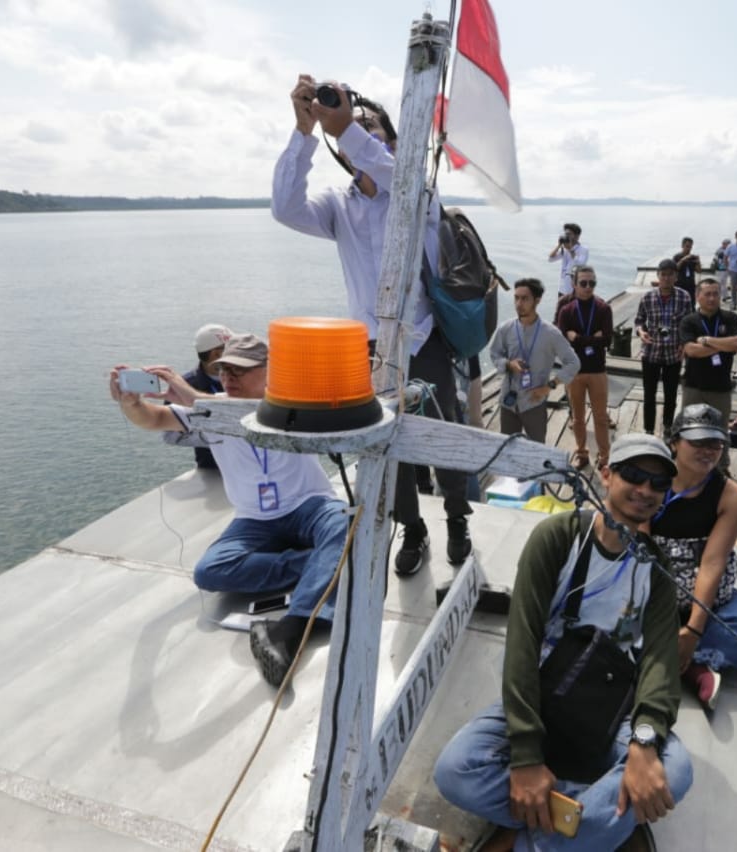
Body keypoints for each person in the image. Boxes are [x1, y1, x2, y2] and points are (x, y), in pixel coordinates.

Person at [434, 434, 693, 852]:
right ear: (606, 475)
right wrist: (526, 756)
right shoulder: (557, 538)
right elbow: (521, 644)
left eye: (658, 484)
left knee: (677, 771)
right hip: (543, 694)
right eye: (633, 475)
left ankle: (528, 840)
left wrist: (644, 741)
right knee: (456, 769)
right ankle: (600, 822)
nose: (645, 490)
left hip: (611, 705)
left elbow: (659, 664)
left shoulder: (655, 569)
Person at [270, 74, 471, 577]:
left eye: (374, 130)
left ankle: (457, 516)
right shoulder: (338, 207)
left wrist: (347, 130)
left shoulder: (419, 195)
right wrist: (305, 132)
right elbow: (285, 208)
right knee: (385, 444)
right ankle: (413, 528)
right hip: (372, 349)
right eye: (356, 131)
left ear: (395, 144)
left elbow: (401, 178)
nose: (361, 136)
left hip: (424, 340)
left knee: (443, 436)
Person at [108, 334, 348, 688]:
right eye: (223, 369)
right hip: (253, 519)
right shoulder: (209, 407)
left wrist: (187, 393)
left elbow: (251, 418)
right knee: (210, 572)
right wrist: (130, 404)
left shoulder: (290, 401)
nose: (228, 377)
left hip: (308, 504)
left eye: (240, 370)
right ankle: (321, 564)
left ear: (270, 372)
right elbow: (155, 419)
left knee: (346, 523)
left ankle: (294, 623)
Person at [649, 405, 737, 712]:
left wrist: (693, 630)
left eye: (715, 443)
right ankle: (686, 664)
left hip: (704, 597)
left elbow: (713, 562)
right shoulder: (650, 480)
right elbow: (639, 547)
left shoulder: (730, 495)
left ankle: (681, 657)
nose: (708, 451)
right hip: (651, 591)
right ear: (675, 441)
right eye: (698, 442)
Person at [489, 278, 580, 444]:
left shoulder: (550, 333)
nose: (519, 303)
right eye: (516, 297)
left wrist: (550, 386)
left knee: (536, 451)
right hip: (508, 403)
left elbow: (573, 363)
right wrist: (508, 364)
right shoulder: (505, 328)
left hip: (534, 403)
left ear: (537, 300)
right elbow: (494, 353)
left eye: (525, 298)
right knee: (506, 450)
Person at [557, 266, 614, 471]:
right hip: (575, 372)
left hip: (598, 370)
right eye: (583, 283)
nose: (588, 287)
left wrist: (578, 338)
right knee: (578, 419)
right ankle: (582, 453)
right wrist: (593, 339)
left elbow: (607, 340)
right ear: (574, 284)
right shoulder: (566, 310)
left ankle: (605, 456)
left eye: (592, 283)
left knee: (600, 417)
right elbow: (562, 340)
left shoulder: (603, 308)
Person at [634, 258, 694, 436]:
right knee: (649, 395)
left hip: (673, 354)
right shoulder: (647, 297)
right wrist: (640, 332)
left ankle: (668, 426)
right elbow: (639, 320)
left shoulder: (684, 297)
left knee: (671, 394)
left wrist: (684, 343)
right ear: (658, 276)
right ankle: (649, 429)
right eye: (663, 275)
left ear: (676, 276)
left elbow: (689, 324)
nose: (666, 278)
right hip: (651, 352)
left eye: (670, 275)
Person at [163, 323, 232, 470]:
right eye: (232, 349)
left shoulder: (247, 377)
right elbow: (169, 434)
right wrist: (222, 437)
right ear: (215, 354)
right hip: (213, 468)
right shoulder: (182, 386)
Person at [678, 278, 737, 424]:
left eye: (715, 294)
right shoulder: (688, 321)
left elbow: (736, 344)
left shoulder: (730, 318)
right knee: (689, 430)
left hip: (721, 388)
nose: (712, 298)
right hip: (694, 388)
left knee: (719, 433)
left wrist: (707, 341)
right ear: (697, 296)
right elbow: (691, 350)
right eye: (707, 294)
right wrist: (722, 345)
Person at [548, 222, 589, 319]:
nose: (567, 236)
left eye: (569, 234)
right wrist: (559, 246)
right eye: (566, 234)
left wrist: (570, 249)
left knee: (573, 314)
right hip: (562, 287)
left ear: (577, 236)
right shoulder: (564, 249)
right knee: (560, 313)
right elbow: (550, 259)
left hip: (573, 288)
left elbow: (580, 263)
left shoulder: (583, 249)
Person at [673, 237, 702, 302]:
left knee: (691, 302)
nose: (689, 249)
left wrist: (698, 262)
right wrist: (683, 259)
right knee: (679, 301)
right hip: (679, 283)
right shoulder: (676, 257)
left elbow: (699, 271)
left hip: (690, 284)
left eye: (690, 247)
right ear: (682, 246)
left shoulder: (692, 257)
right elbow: (675, 269)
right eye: (687, 246)